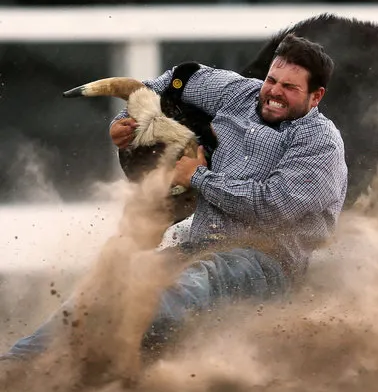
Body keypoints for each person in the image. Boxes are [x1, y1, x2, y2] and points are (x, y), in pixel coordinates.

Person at [0, 34, 348, 365]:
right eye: (272, 79)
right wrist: (127, 120)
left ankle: (112, 358)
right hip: (198, 248)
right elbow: (172, 81)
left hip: (265, 264)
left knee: (185, 288)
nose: (273, 92)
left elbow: (274, 205)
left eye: (289, 87)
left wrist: (197, 177)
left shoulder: (320, 143)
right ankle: (20, 361)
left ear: (315, 97)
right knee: (112, 282)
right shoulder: (240, 93)